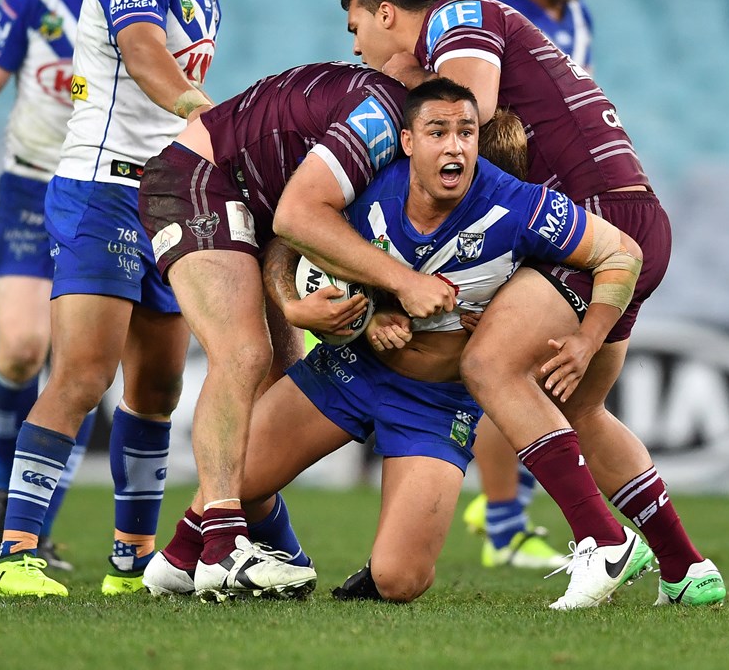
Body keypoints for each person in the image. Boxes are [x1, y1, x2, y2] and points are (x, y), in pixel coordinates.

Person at [146, 78, 654, 608]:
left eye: (466, 132)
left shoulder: (519, 207)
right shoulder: (367, 188)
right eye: (438, 132)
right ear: (408, 142)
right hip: (348, 370)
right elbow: (285, 243)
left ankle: (338, 563)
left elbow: (623, 255)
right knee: (231, 481)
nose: (454, 145)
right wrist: (323, 311)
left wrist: (589, 338)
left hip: (434, 405)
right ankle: (182, 558)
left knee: (401, 580)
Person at [329, 0, 725, 606]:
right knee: (578, 407)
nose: (359, 48)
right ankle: (687, 568)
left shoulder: (459, 17)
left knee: (489, 365)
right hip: (632, 220)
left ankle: (604, 541)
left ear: (386, 12)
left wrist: (406, 84)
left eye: (356, 30)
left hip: (592, 226)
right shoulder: (475, 31)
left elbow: (472, 113)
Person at [0, 0, 287, 600]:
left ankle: (133, 559)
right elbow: (145, 53)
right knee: (83, 374)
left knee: (158, 385)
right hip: (100, 190)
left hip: (166, 198)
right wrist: (207, 115)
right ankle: (15, 552)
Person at [136, 60, 423, 599]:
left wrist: (301, 306)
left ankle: (178, 557)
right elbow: (298, 220)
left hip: (250, 206)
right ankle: (222, 548)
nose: (354, 40)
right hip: (199, 178)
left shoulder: (390, 120)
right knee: (241, 355)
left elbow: (291, 232)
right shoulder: (383, 112)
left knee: (280, 392)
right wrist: (305, 306)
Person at [0, 0, 165, 574]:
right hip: (35, 186)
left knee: (81, 367)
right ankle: (3, 490)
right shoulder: (37, 1)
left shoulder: (159, 7)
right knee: (22, 350)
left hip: (122, 194)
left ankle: (33, 527)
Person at [465, 0, 594, 568]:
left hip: (555, 211)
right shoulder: (494, 18)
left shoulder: (579, 18)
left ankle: (507, 512)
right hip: (509, 210)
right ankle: (505, 525)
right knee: (504, 364)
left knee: (525, 367)